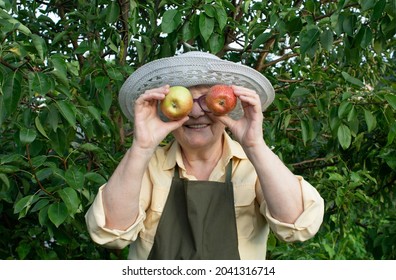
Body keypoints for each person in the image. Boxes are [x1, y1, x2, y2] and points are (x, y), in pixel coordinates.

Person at [85, 51, 324, 260]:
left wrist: (255, 145)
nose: (197, 112)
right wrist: (141, 147)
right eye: (187, 102)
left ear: (227, 107)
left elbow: (297, 225)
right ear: (167, 110)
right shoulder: (146, 165)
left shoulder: (255, 165)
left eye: (207, 101)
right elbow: (111, 233)